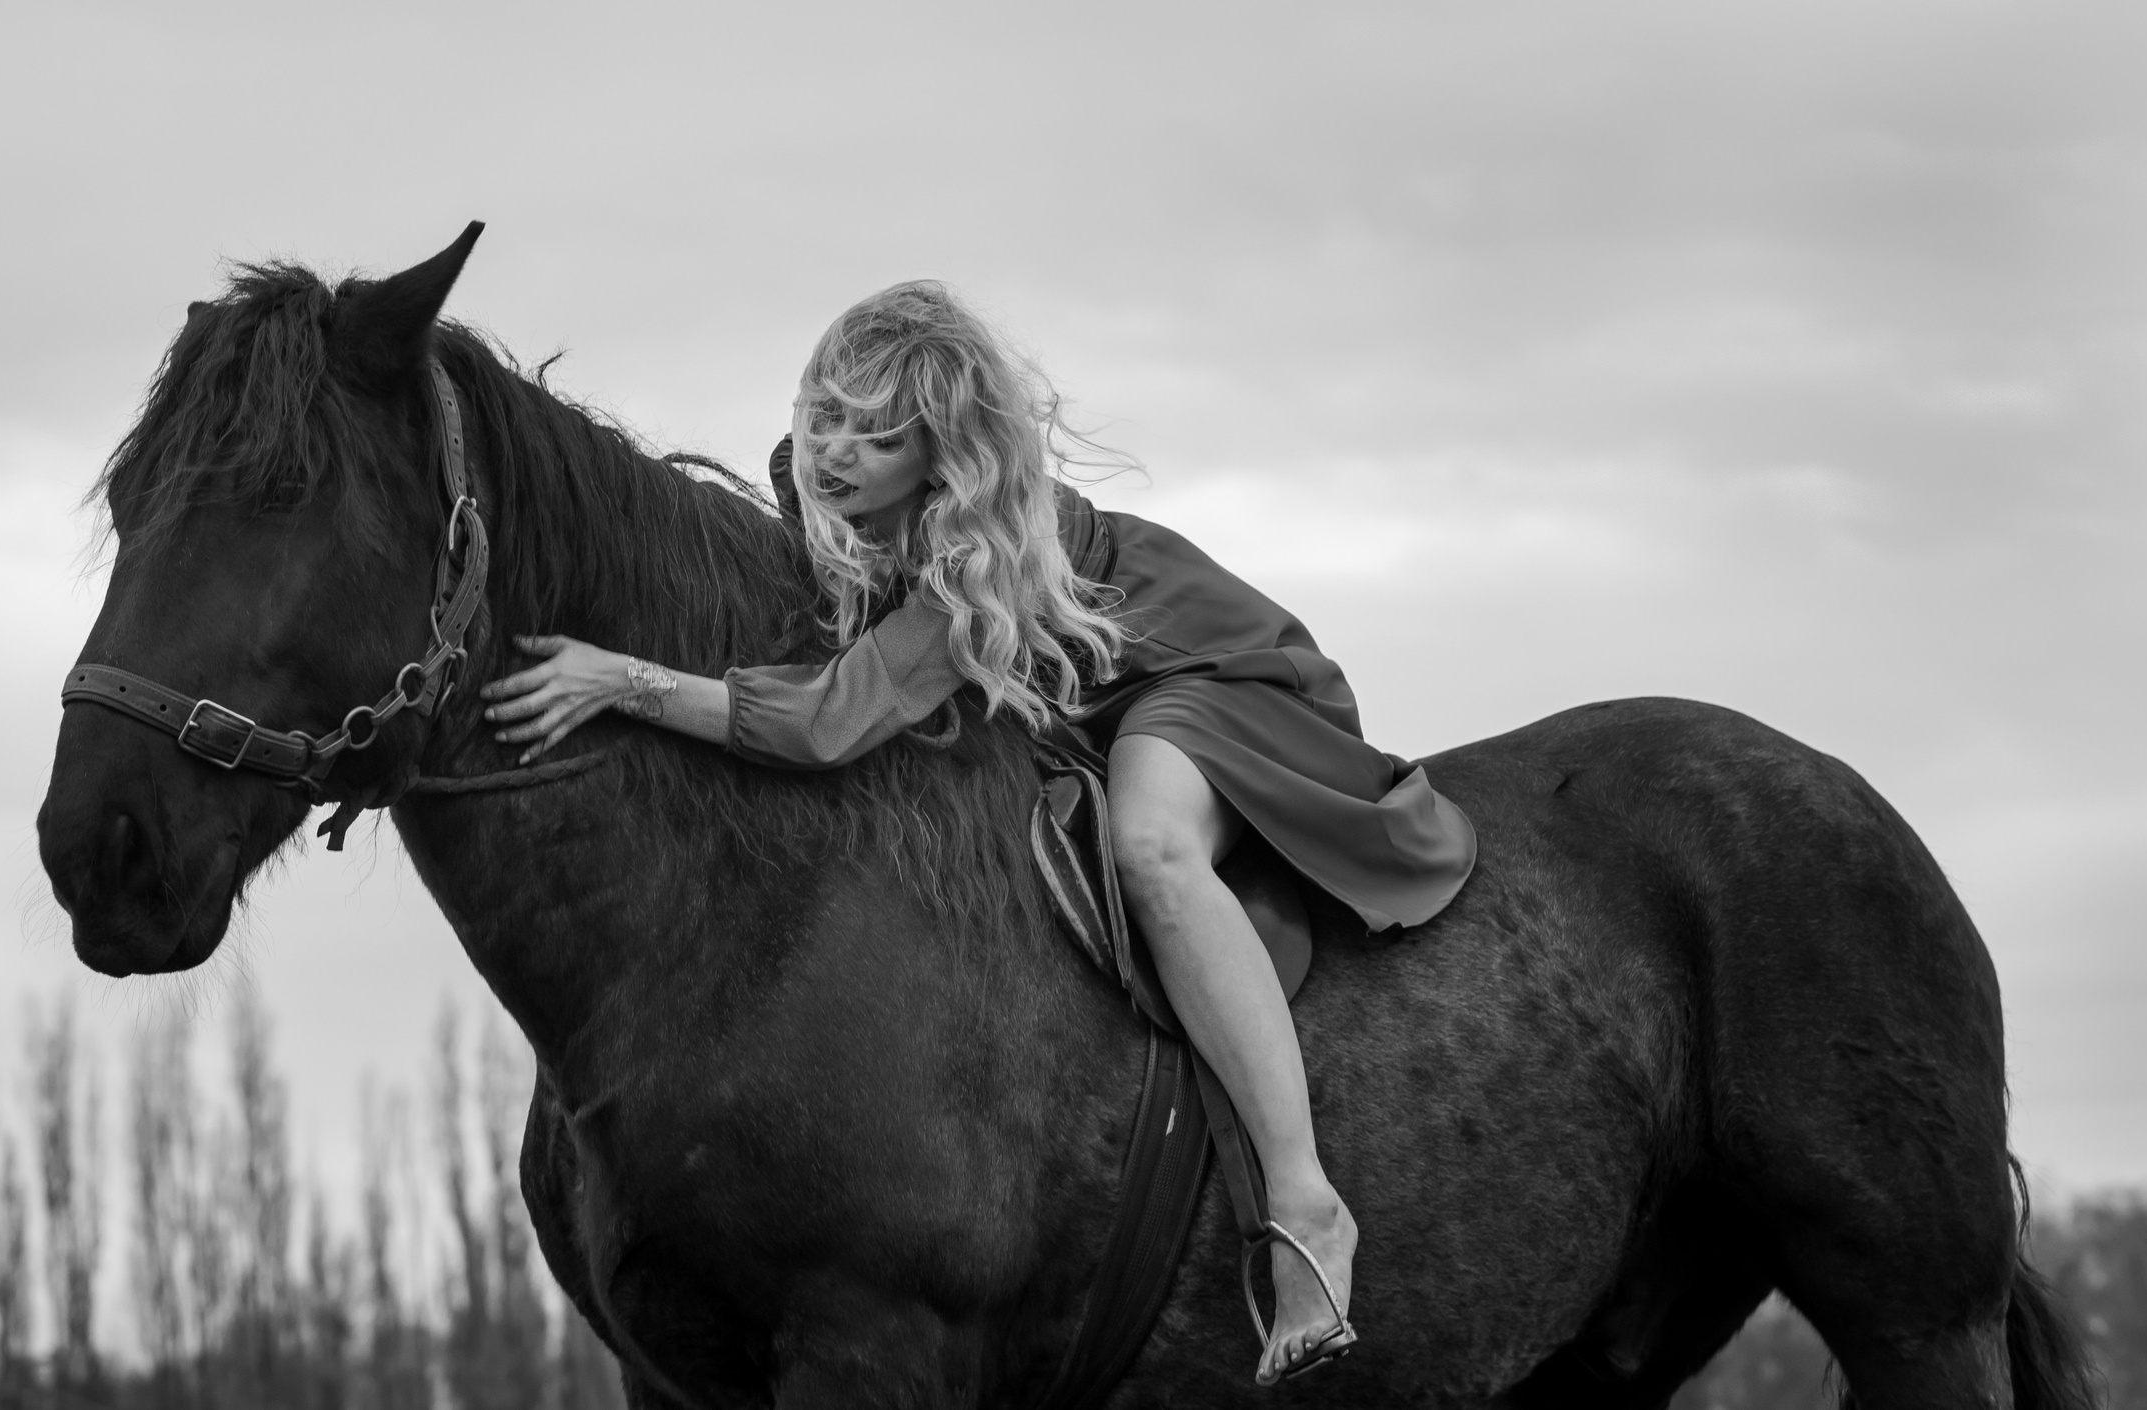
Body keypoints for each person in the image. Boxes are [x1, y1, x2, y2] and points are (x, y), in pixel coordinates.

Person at [477, 281, 1476, 1386]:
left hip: (1204, 677)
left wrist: (620, 679)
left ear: (940, 454)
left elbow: (827, 721)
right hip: (1072, 701)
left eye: (879, 435)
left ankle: (1303, 1209)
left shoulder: (977, 551)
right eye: (825, 418)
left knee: (1150, 846)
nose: (836, 454)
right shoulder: (818, 494)